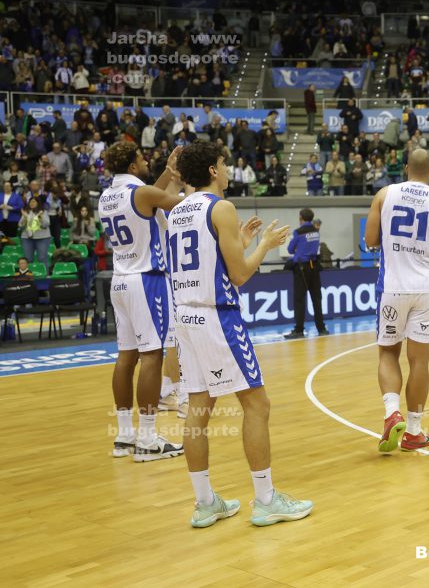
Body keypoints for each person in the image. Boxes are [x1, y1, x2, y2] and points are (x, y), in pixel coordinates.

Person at [169, 141, 313, 528]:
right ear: (213, 171)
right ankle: (266, 500)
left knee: (198, 409)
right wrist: (264, 245)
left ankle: (205, 503)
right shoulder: (222, 207)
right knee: (257, 405)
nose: (228, 169)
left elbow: (208, 259)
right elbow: (239, 275)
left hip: (185, 318)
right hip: (217, 317)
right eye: (224, 163)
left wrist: (241, 243)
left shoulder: (177, 210)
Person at [364, 149, 429, 453]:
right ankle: (414, 432)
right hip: (424, 288)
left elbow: (370, 240)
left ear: (405, 168)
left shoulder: (384, 195)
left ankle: (392, 413)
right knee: (419, 360)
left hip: (392, 287)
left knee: (388, 353)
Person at [98, 142, 184, 462]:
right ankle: (147, 438)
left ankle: (125, 436)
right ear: (133, 166)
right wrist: (191, 181)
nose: (146, 161)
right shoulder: (143, 194)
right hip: (146, 279)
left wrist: (167, 173)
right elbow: (176, 203)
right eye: (141, 159)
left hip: (120, 280)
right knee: (152, 355)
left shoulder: (107, 195)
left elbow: (147, 199)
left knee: (126, 356)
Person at [284, 209, 327, 339]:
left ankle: (299, 330)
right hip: (314, 267)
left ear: (301, 217)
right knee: (316, 299)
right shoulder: (316, 231)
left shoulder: (298, 232)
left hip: (301, 268)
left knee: (299, 300)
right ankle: (321, 328)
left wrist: (299, 248)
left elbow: (290, 249)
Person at [19, 197, 51, 272]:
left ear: (38, 203)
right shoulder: (26, 212)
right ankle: (28, 275)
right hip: (27, 238)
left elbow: (46, 224)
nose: (32, 203)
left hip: (42, 238)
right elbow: (20, 225)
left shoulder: (43, 212)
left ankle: (45, 274)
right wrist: (25, 217)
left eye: (34, 202)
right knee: (28, 258)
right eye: (30, 202)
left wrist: (40, 217)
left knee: (42, 258)